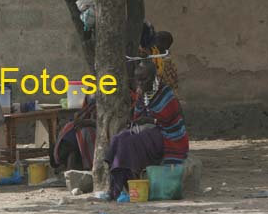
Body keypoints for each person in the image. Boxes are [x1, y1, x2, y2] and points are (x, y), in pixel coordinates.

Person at [106, 60, 189, 199]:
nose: (140, 83)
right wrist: (137, 121)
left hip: (166, 134)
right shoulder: (142, 94)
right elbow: (138, 115)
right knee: (119, 138)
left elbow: (172, 122)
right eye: (138, 80)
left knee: (132, 142)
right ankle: (116, 186)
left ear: (153, 77)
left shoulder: (166, 94)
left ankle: (131, 181)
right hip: (146, 131)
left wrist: (151, 121)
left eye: (144, 79)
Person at [52, 95, 96, 172]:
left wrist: (86, 122)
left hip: (95, 126)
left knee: (80, 135)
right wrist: (78, 116)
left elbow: (102, 122)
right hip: (84, 122)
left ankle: (70, 167)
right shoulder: (91, 92)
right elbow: (85, 109)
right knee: (68, 129)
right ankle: (67, 163)